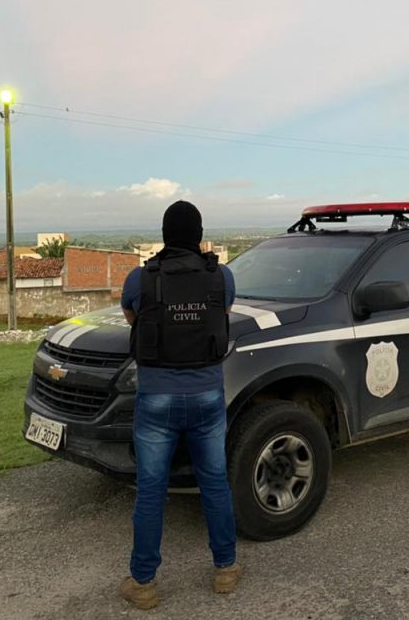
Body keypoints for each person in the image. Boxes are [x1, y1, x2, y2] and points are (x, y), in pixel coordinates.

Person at [118, 200, 240, 610]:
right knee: (215, 482)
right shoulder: (222, 276)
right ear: (199, 236)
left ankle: (144, 583)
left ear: (165, 235)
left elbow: (133, 319)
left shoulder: (140, 278)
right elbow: (220, 315)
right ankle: (225, 569)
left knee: (151, 491)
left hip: (156, 398)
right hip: (207, 395)